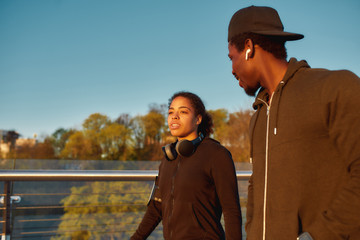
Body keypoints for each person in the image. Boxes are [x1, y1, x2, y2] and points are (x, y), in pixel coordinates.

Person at [227, 5, 360, 240]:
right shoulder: (257, 116)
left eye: (232, 58)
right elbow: (256, 186)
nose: (232, 69)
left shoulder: (334, 88)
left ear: (248, 48)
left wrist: (318, 236)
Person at [131, 91, 242, 240]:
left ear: (198, 119)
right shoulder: (168, 158)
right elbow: (156, 208)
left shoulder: (216, 154)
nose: (174, 116)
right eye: (171, 112)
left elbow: (231, 210)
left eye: (183, 111)